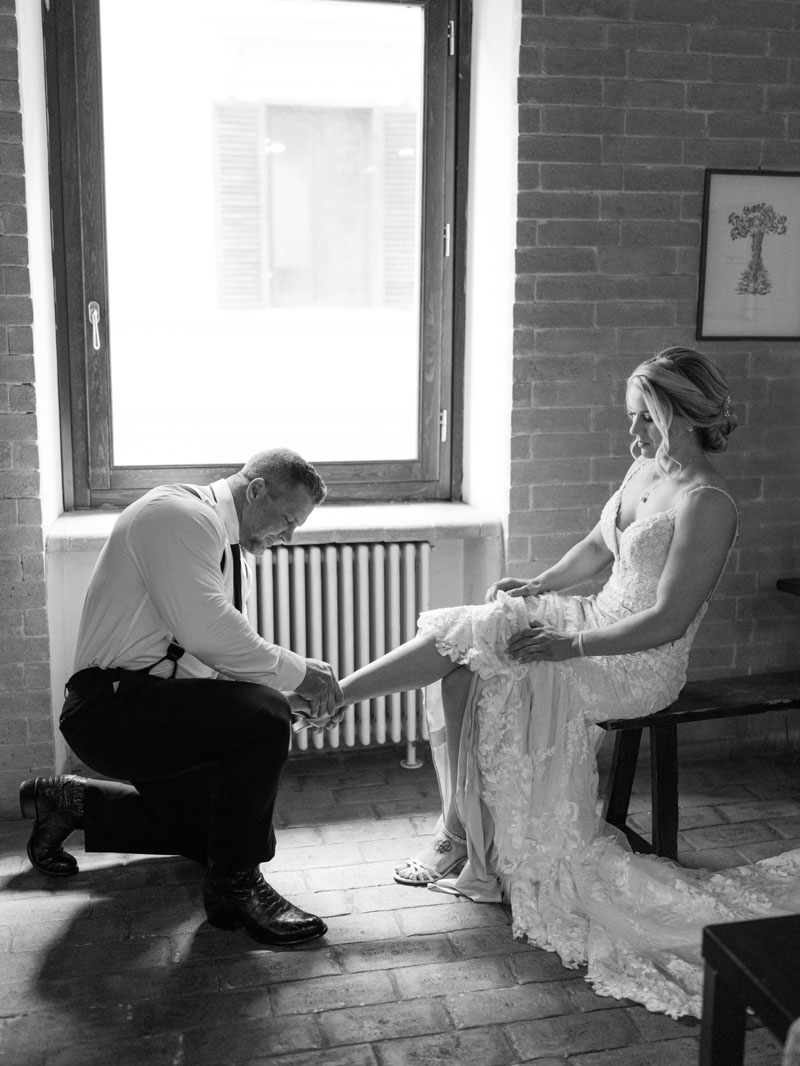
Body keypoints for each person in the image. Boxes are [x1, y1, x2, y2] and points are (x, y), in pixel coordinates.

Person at [321, 347, 800, 1017]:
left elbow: (666, 621)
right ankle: (459, 831)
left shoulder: (708, 502)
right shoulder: (645, 470)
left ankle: (374, 743)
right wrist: (540, 586)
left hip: (636, 663)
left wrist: (564, 645)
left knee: (489, 662)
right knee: (475, 641)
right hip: (593, 623)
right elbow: (599, 546)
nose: (631, 436)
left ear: (677, 417)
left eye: (641, 421)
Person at [19, 447, 341, 947]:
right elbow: (208, 632)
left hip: (158, 707)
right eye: (286, 519)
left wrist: (291, 705)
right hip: (109, 708)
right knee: (263, 730)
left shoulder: (235, 556)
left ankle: (71, 802)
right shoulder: (176, 515)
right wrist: (300, 677)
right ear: (255, 490)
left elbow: (216, 668)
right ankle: (237, 891)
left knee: (217, 836)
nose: (288, 536)